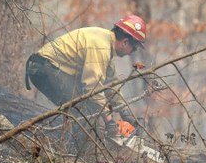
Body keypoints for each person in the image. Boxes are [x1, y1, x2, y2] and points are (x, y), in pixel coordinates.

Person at [25, 15, 147, 152]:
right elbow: (93, 88)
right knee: (83, 112)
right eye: (134, 48)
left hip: (51, 68)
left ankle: (69, 150)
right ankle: (76, 155)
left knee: (87, 110)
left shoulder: (105, 44)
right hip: (44, 68)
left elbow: (111, 84)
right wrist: (109, 121)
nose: (132, 53)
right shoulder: (100, 47)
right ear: (125, 42)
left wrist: (126, 114)